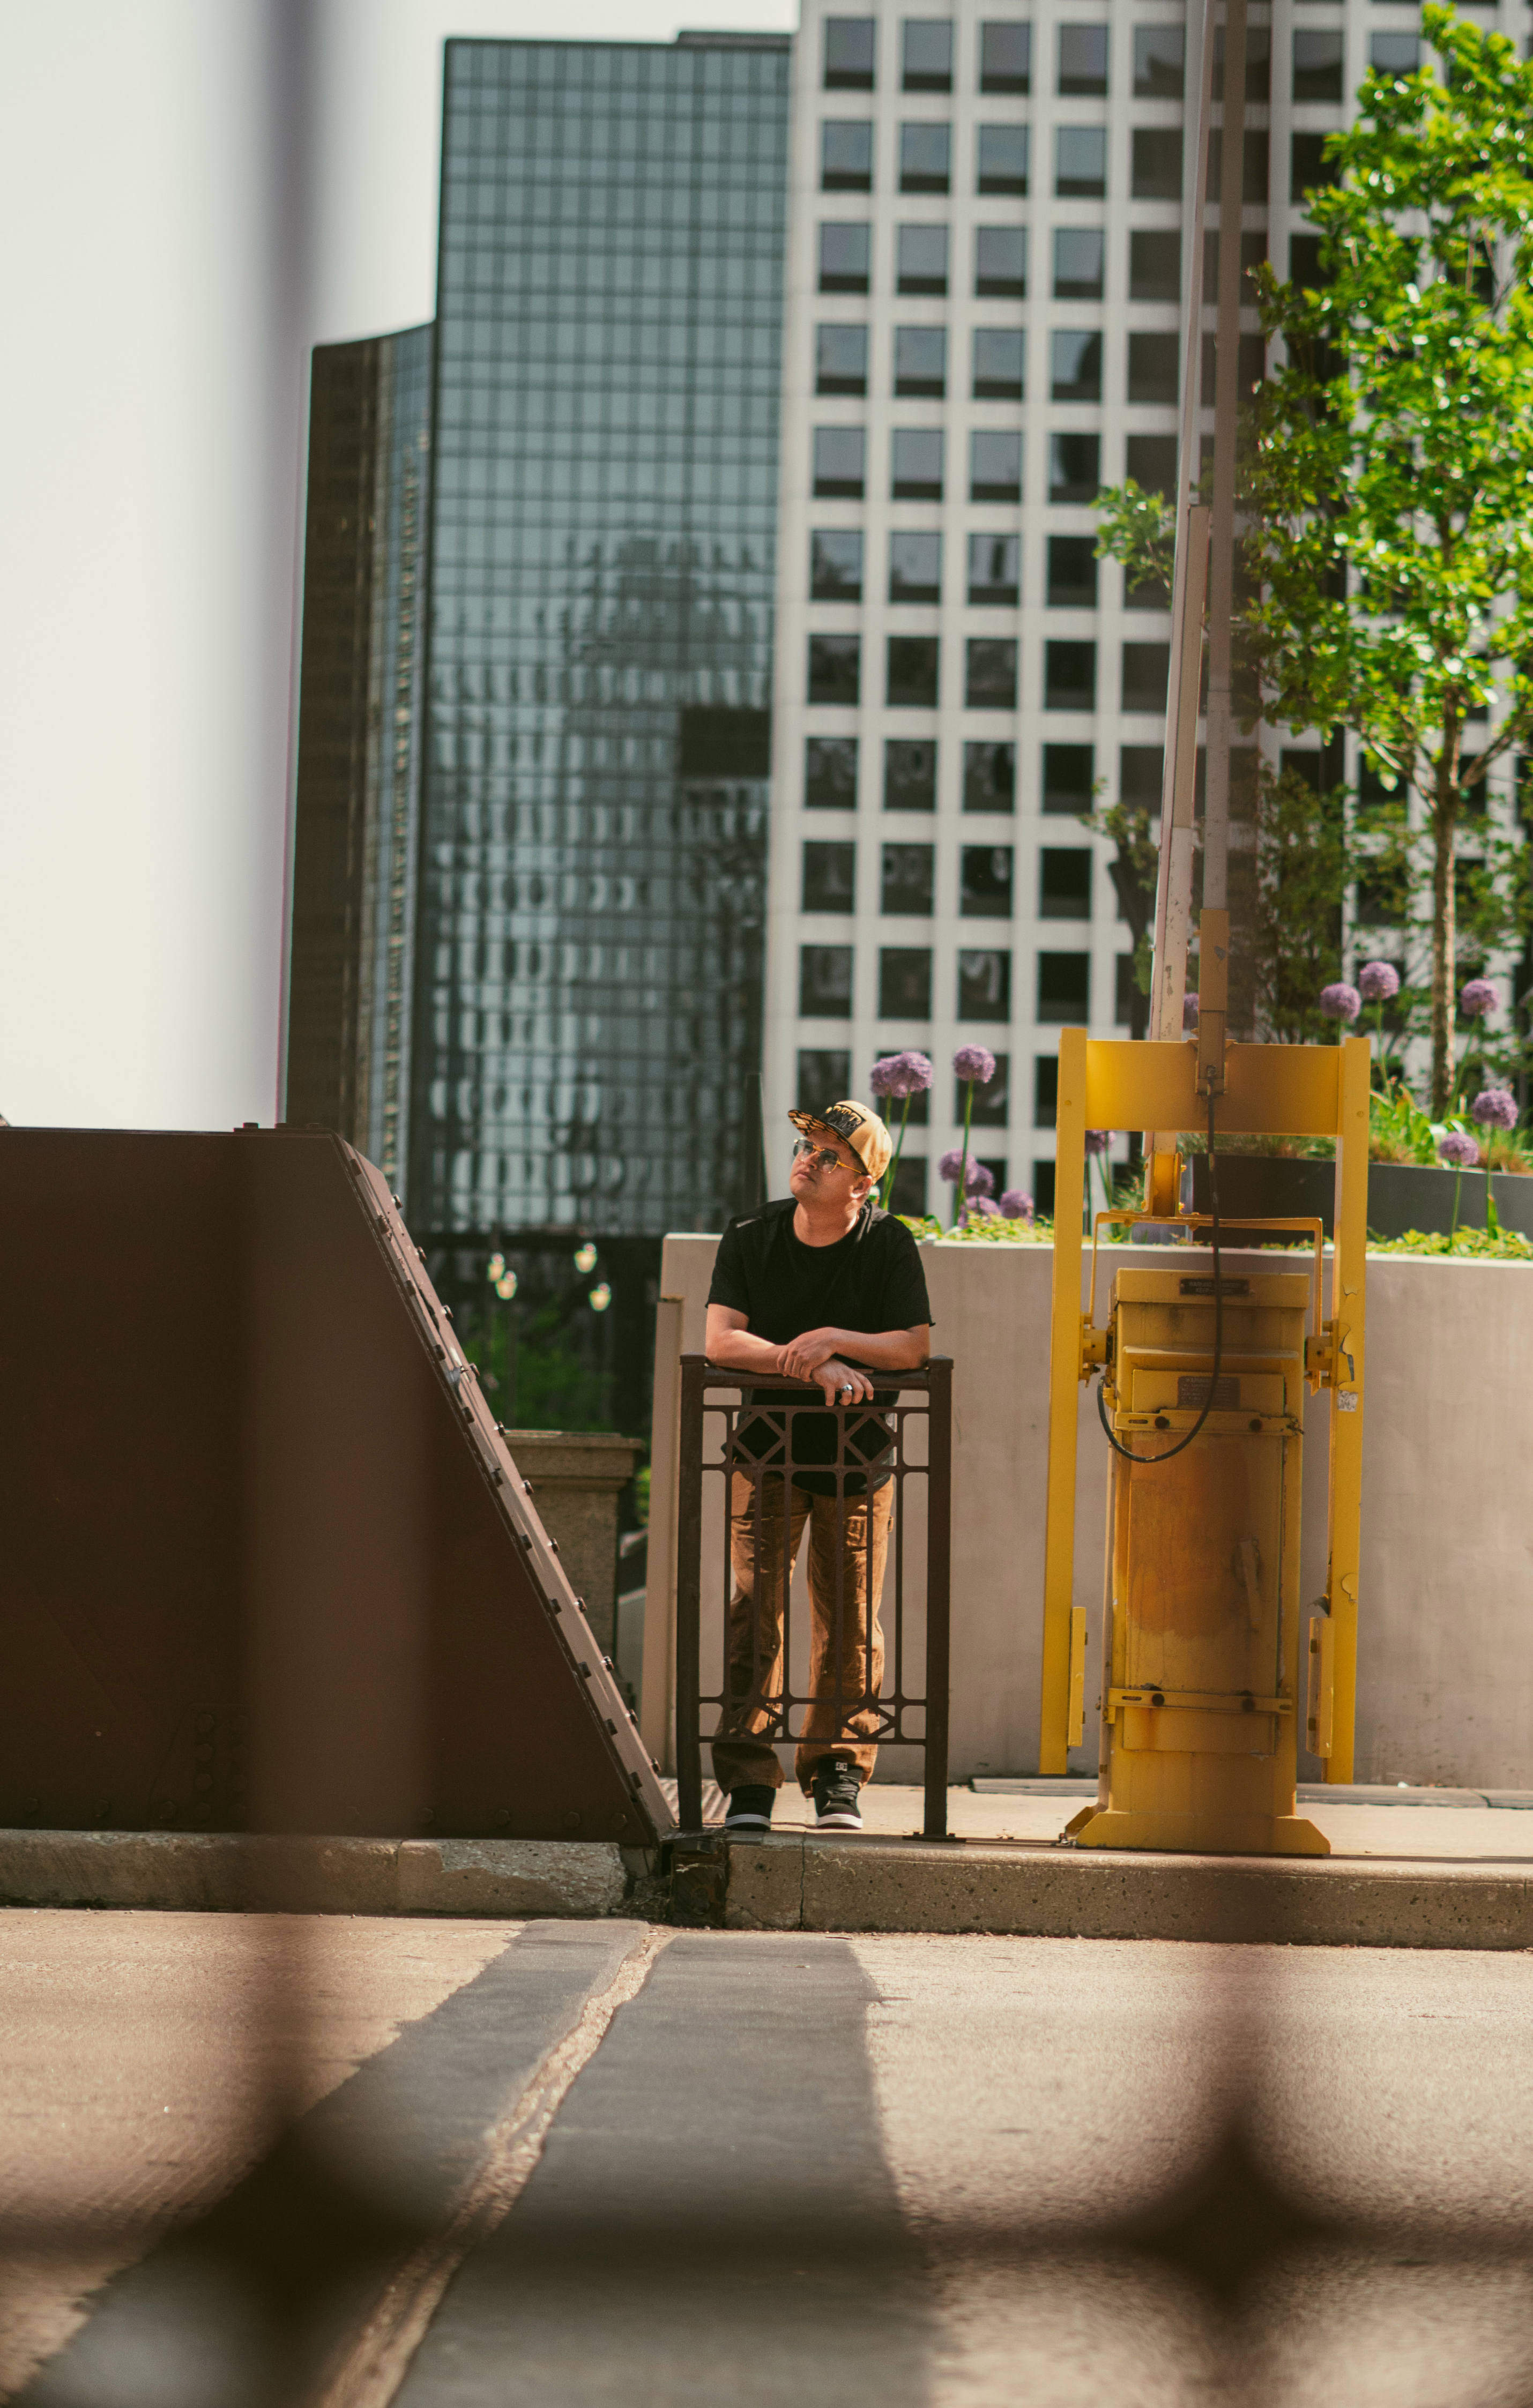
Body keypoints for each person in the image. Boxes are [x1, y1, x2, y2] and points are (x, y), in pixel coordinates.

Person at [703, 1098, 932, 1833]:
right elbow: (721, 1341)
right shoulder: (751, 1234)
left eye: (831, 1154)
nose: (809, 1159)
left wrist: (833, 1338)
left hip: (855, 1461)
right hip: (765, 1453)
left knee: (852, 1620)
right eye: (808, 1145)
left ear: (862, 1184)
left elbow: (912, 1347)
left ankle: (838, 1773)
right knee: (754, 1613)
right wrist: (807, 1364)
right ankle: (748, 1782)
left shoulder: (887, 1241)